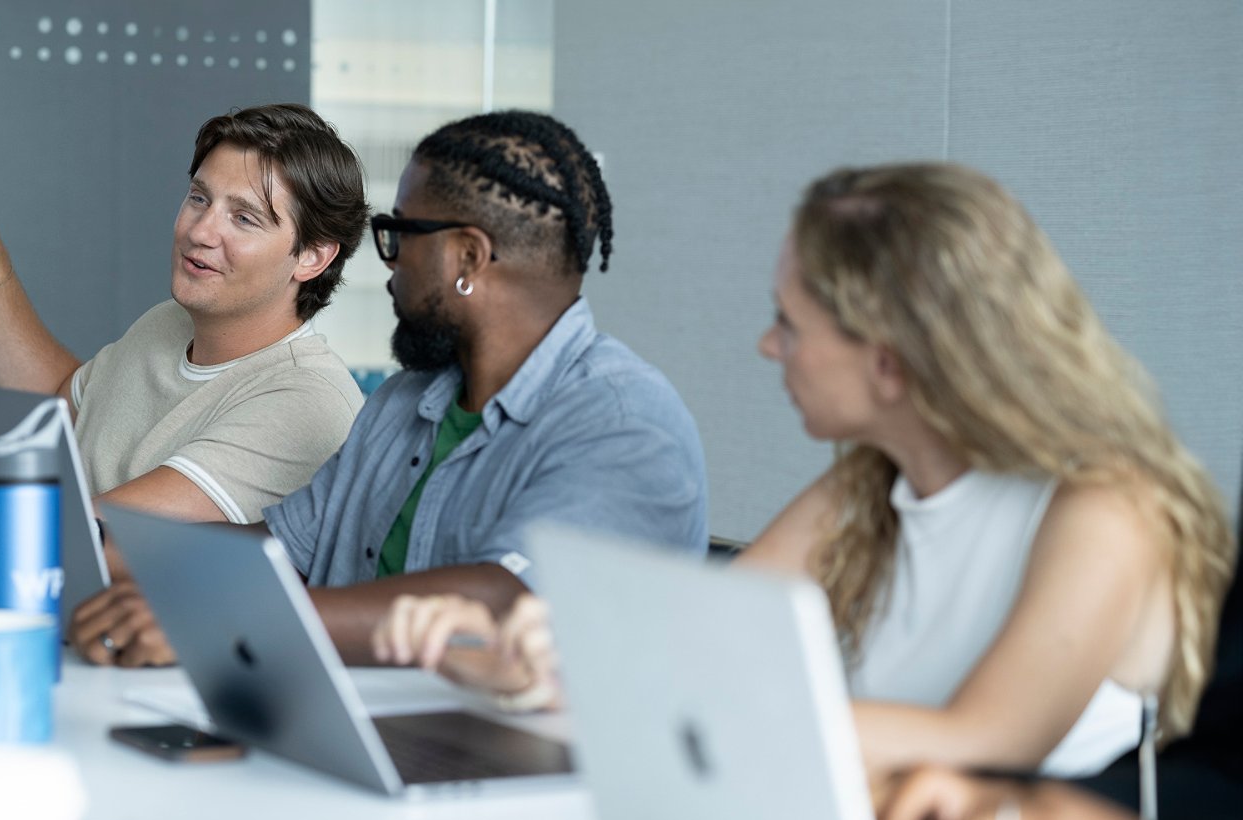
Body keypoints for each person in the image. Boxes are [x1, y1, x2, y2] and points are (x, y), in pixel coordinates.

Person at [374, 162, 1234, 778]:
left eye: (790, 323)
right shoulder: (867, 486)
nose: (767, 345)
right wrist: (522, 661)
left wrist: (643, 693)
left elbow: (983, 740)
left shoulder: (1104, 511)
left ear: (889, 360)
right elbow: (690, 646)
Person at [66, 110, 709, 667]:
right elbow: (279, 552)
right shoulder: (404, 406)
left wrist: (225, 621)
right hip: (359, 738)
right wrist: (59, 543)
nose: (389, 262)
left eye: (401, 235)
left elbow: (496, 602)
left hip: (514, 780)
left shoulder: (623, 421)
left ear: (466, 259)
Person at [0, 104, 369, 608]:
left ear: (313, 256)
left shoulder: (305, 399)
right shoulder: (167, 324)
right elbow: (58, 401)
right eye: (198, 198)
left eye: (244, 218)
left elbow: (93, 537)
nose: (201, 231)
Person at [877, 517, 1243, 820]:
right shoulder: (860, 496)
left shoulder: (1107, 519)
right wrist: (1007, 808)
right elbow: (1223, 761)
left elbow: (986, 733)